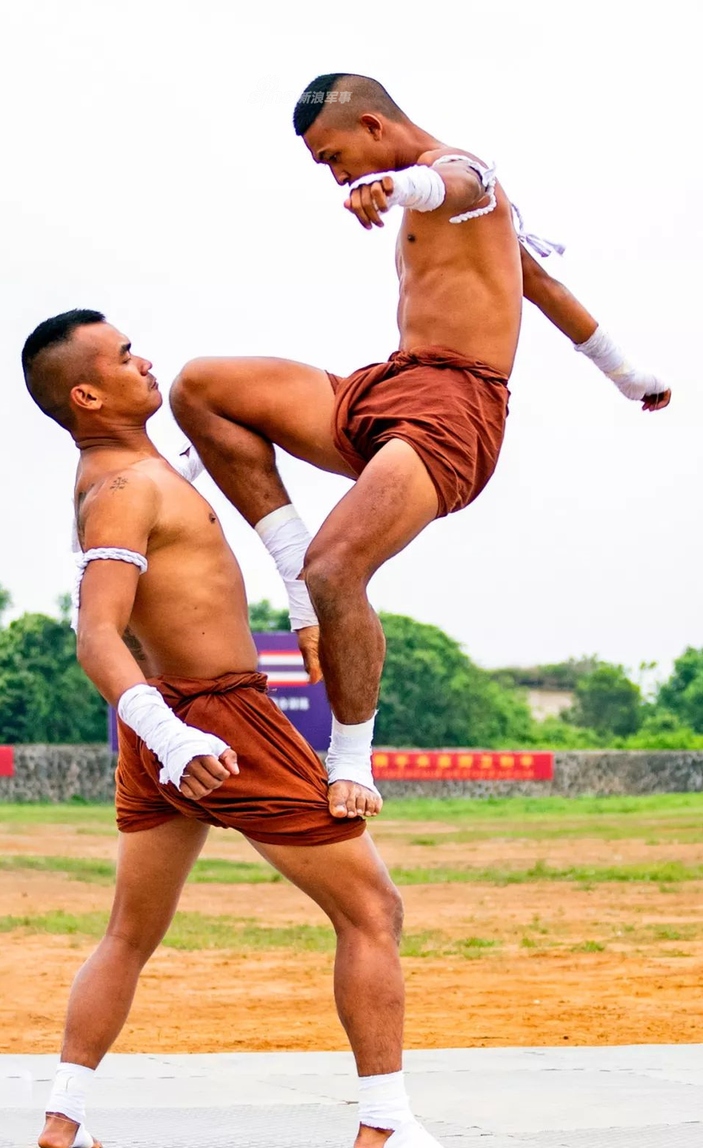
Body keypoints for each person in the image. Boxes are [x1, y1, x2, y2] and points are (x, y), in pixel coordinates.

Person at [20, 308, 481, 1148]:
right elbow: (95, 635)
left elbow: (221, 458)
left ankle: (64, 1110)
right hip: (214, 721)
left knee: (129, 932)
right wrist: (177, 735)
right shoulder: (122, 492)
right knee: (373, 910)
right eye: (125, 357)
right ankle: (384, 1118)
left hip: (171, 732)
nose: (144, 359)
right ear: (87, 393)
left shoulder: (142, 470)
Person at [170, 72, 671, 825]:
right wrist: (628, 374)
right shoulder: (464, 217)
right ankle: (292, 574)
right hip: (389, 385)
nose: (338, 178)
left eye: (335, 158)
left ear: (374, 127)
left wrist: (399, 188)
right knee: (200, 388)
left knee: (340, 569)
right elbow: (542, 286)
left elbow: (459, 181)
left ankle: (351, 758)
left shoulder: (460, 177)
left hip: (454, 408)